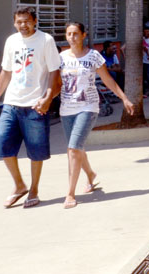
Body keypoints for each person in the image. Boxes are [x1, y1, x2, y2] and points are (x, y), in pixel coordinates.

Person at [0, 7, 61, 209]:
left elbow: (55, 72)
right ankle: (19, 185)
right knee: (4, 146)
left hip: (35, 105)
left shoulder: (46, 40)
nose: (23, 25)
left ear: (35, 21)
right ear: (14, 23)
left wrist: (48, 97)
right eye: (19, 22)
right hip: (11, 103)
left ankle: (34, 189)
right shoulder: (11, 41)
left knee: (36, 151)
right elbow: (6, 72)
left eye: (27, 21)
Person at [57, 22, 135, 209]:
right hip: (66, 108)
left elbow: (108, 79)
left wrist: (124, 98)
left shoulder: (93, 56)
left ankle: (70, 193)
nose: (72, 37)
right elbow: (54, 83)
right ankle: (90, 174)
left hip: (88, 107)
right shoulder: (60, 58)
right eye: (69, 34)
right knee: (76, 148)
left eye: (76, 34)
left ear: (84, 35)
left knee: (73, 149)